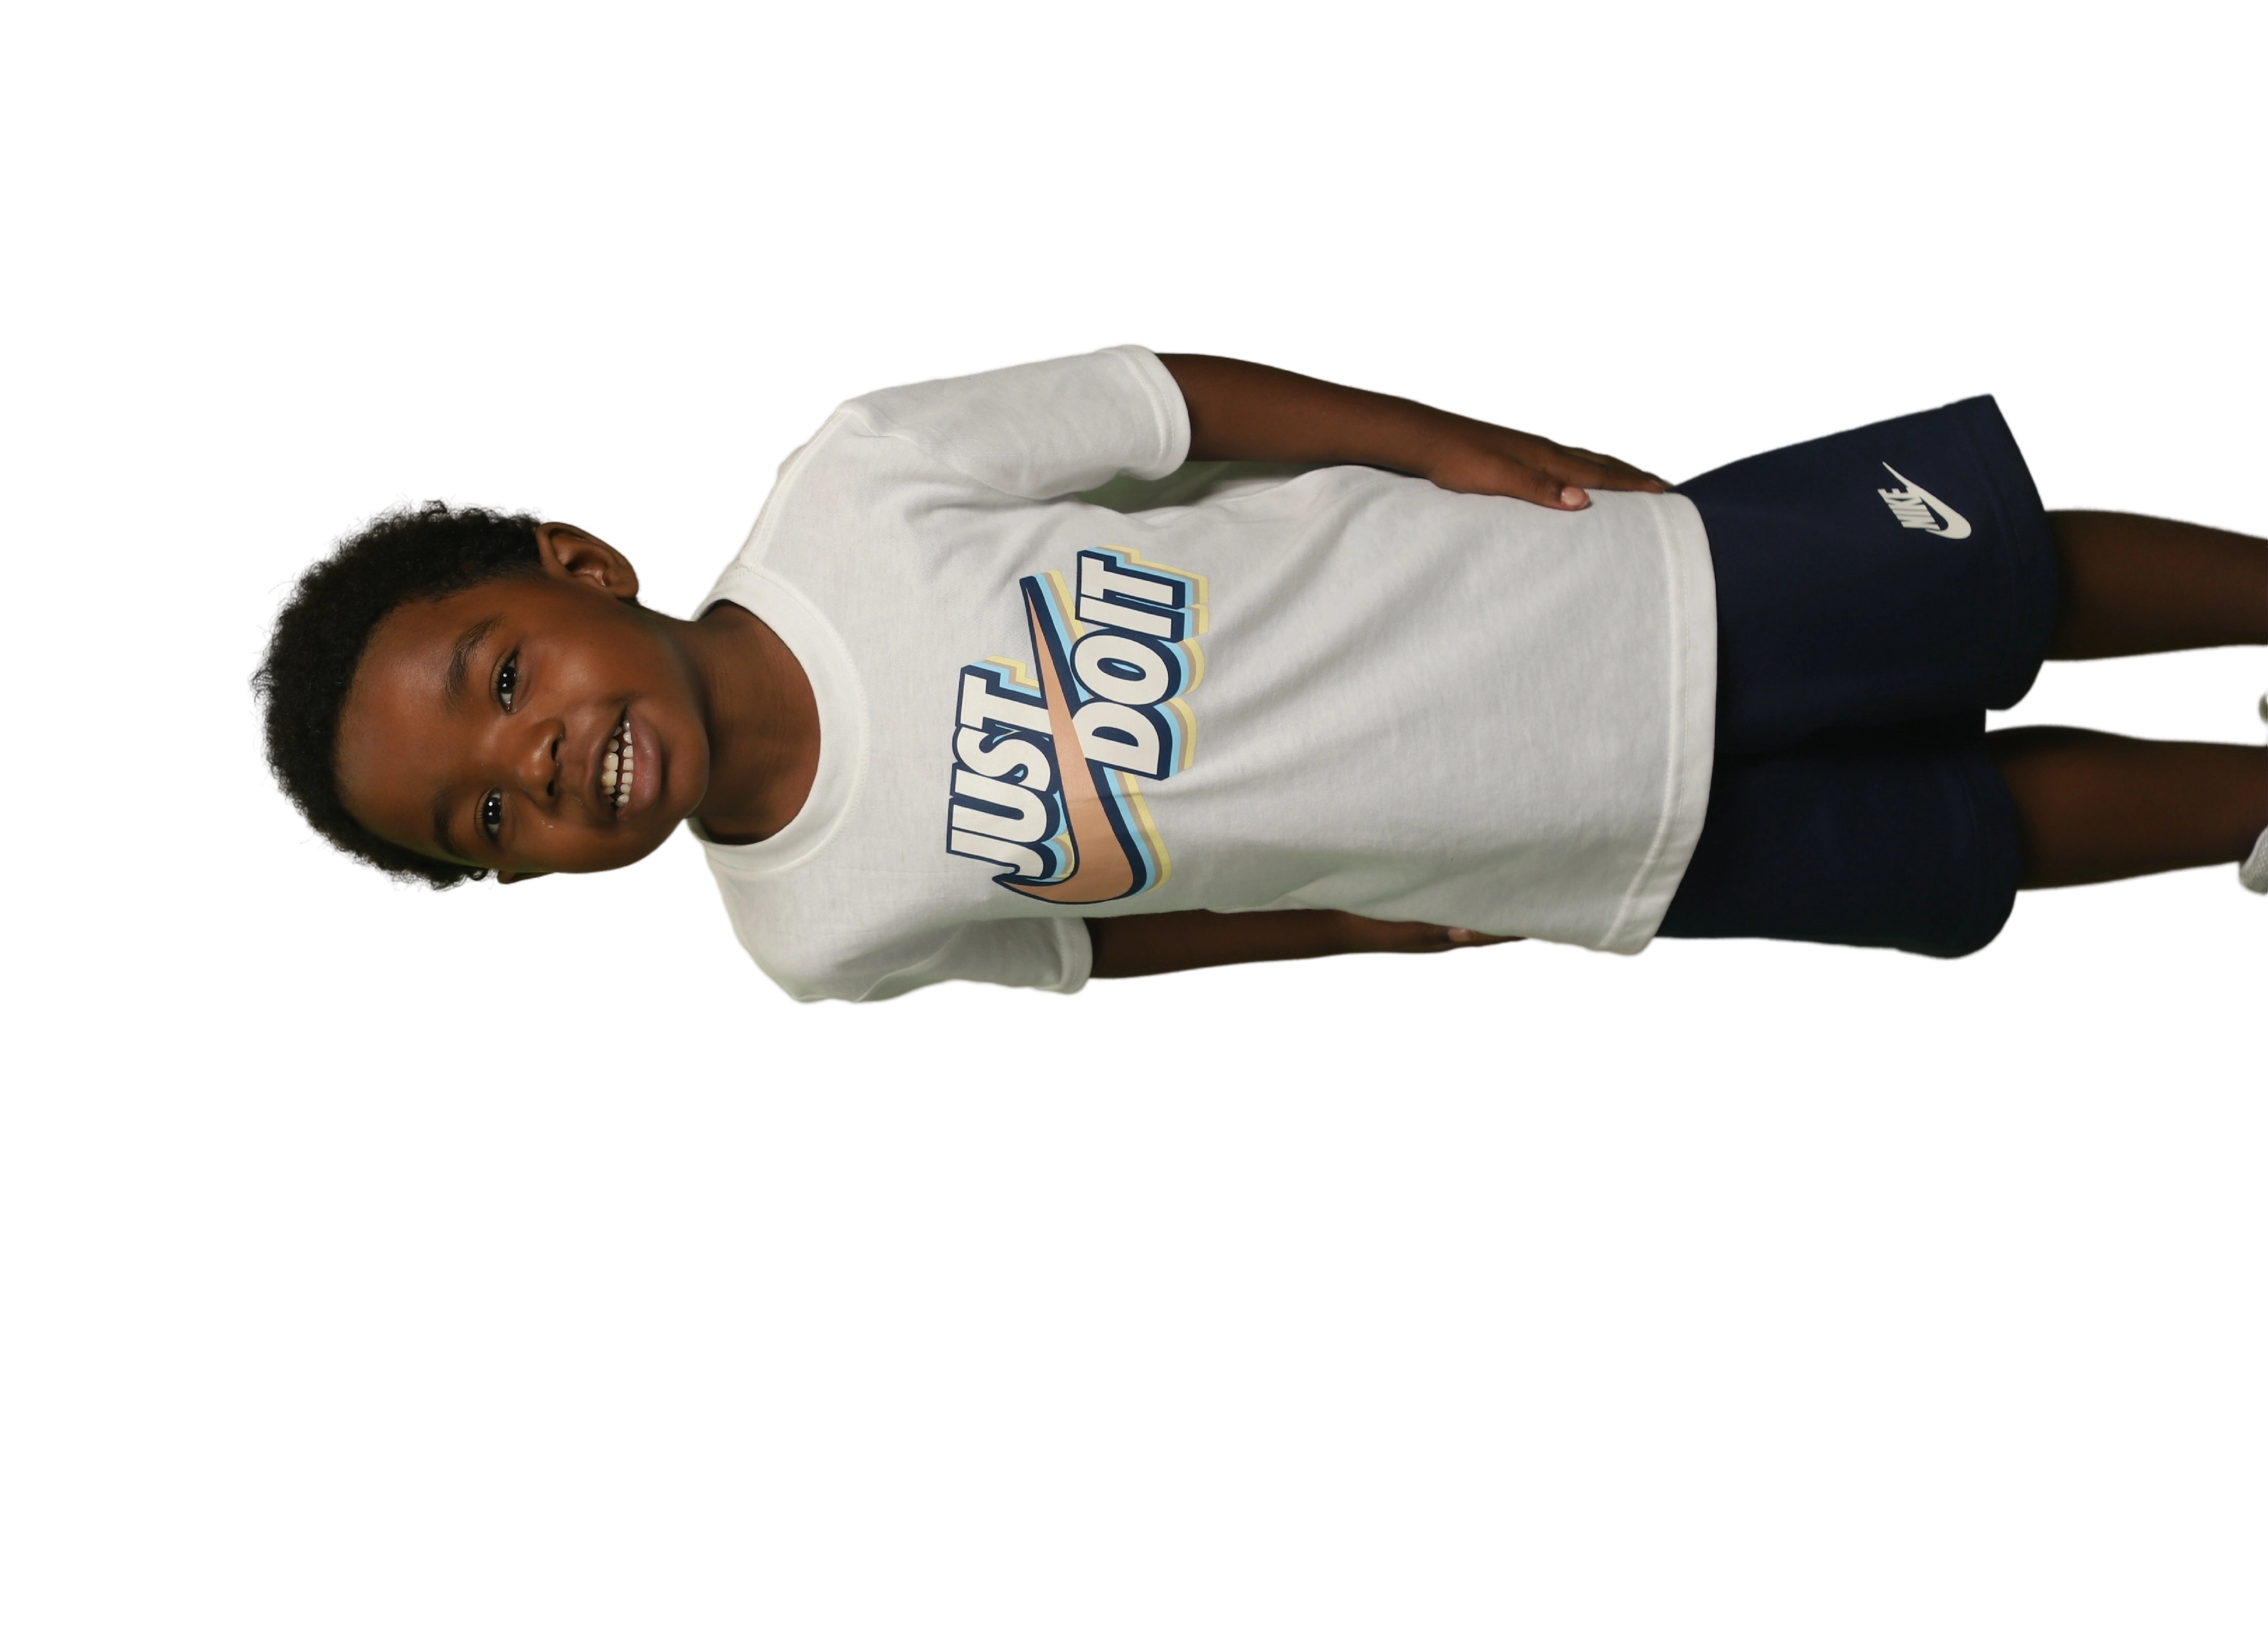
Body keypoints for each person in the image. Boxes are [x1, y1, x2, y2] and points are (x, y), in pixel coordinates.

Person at [245, 341, 2268, 1005]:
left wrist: (1471, 456)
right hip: (1540, 842)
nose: (538, 764)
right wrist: (1365, 922)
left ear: (582, 566)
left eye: (499, 680)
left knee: (1995, 586)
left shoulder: (859, 481)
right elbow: (1098, 948)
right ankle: (2245, 816)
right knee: (1955, 838)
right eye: (485, 817)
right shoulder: (811, 939)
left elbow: (1171, 398)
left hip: (1558, 605)